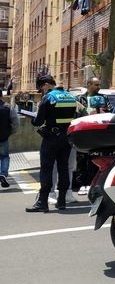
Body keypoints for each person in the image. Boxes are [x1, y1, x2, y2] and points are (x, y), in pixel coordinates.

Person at [26, 75, 77, 212]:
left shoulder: (48, 97)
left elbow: (38, 121)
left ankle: (42, 202)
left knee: (46, 169)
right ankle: (61, 201)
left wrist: (31, 118)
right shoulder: (71, 97)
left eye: (41, 87)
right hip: (67, 138)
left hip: (51, 138)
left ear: (47, 84)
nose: (42, 90)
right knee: (64, 168)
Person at [74, 77, 109, 195]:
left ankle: (92, 183)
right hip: (83, 132)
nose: (98, 87)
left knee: (95, 159)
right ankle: (82, 183)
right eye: (96, 84)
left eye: (99, 85)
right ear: (89, 85)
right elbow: (75, 113)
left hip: (97, 132)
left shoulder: (104, 98)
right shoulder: (79, 98)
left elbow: (110, 112)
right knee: (82, 159)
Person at [0, 97, 20, 189]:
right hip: (3, 137)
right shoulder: (8, 107)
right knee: (4, 156)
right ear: (1, 97)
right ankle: (3, 174)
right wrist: (11, 132)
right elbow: (15, 122)